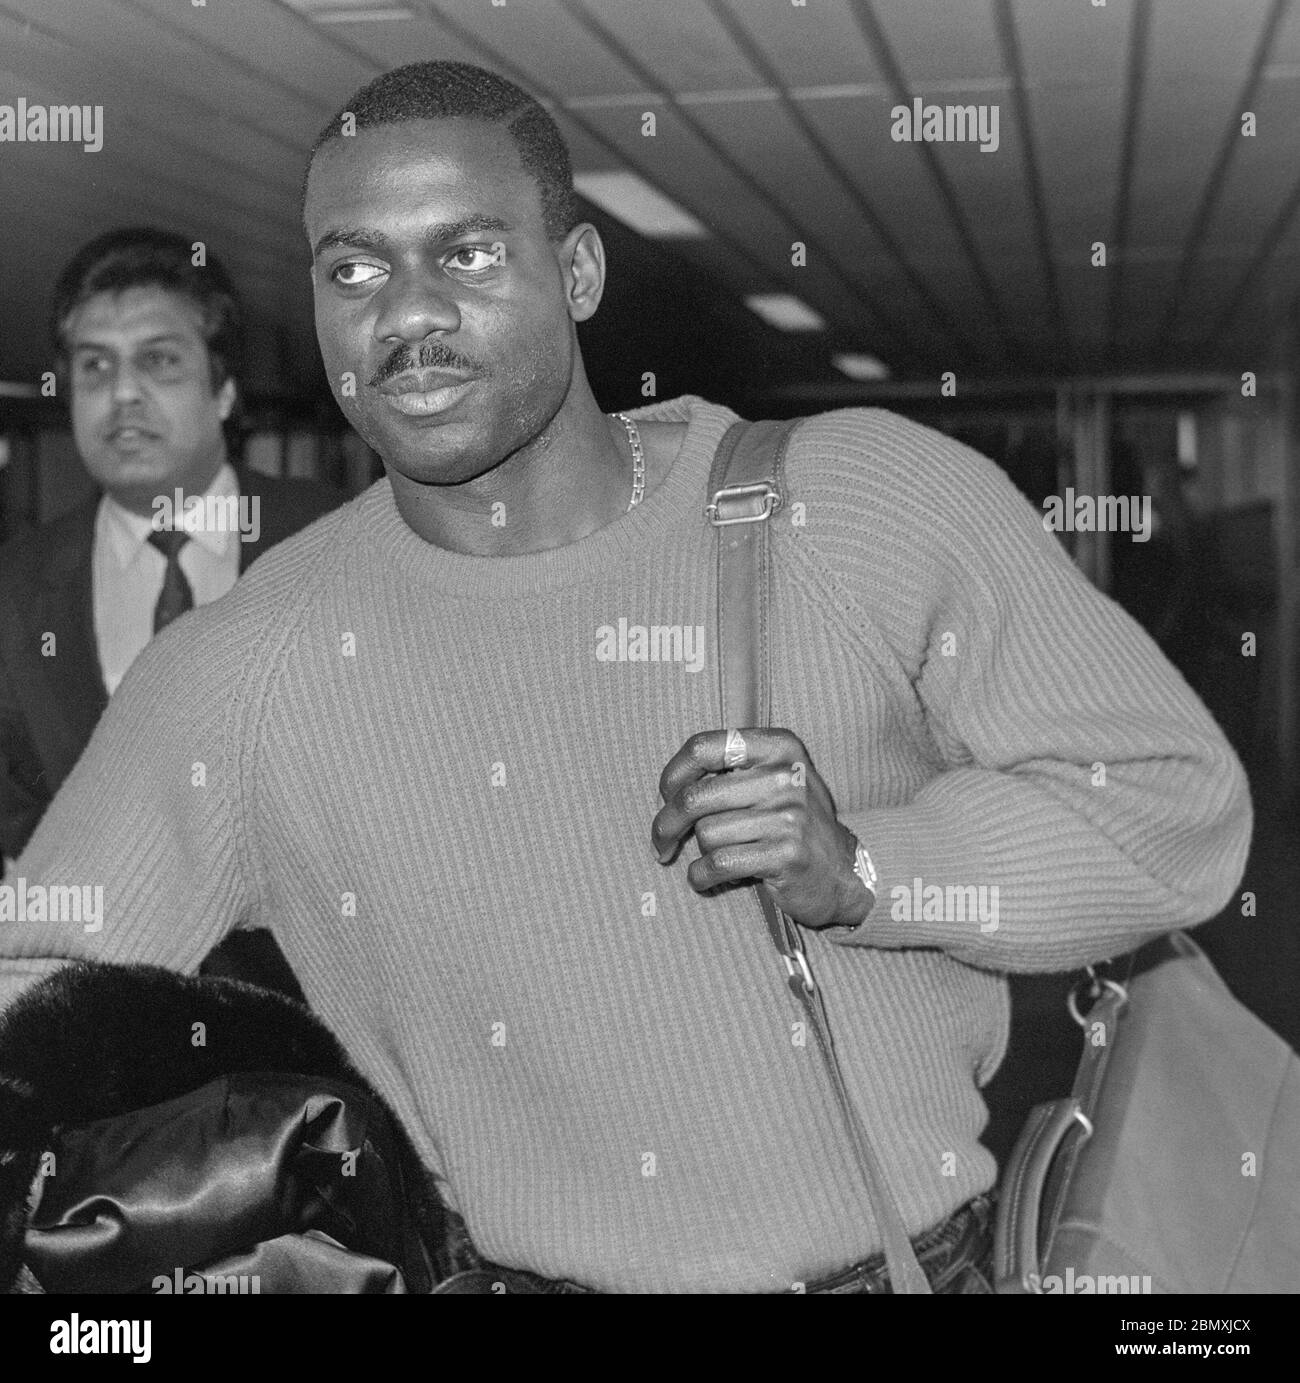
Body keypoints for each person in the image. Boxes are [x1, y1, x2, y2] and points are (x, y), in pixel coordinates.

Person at [0, 62, 1251, 1294]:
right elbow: (34, 985)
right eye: (355, 269)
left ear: (579, 272)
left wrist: (866, 869)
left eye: (470, 255)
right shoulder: (240, 665)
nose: (407, 312)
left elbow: (1175, 811)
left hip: (903, 1263)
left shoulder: (859, 502)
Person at [0, 228, 343, 866]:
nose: (122, 394)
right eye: (95, 364)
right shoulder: (16, 593)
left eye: (158, 360)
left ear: (223, 390)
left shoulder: (340, 547)